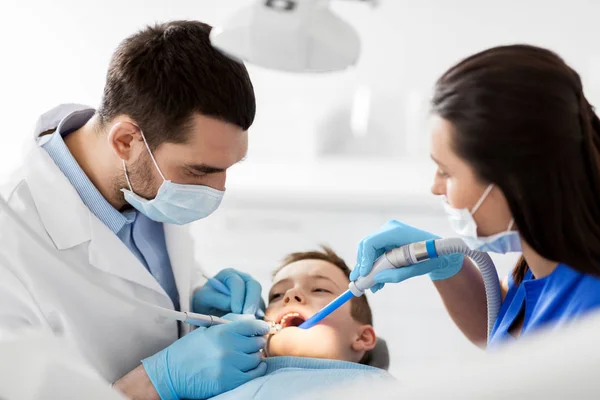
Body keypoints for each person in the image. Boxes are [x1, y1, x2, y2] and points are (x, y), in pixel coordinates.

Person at [0, 20, 271, 400]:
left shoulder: (143, 184)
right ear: (126, 140)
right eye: (199, 171)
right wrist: (155, 383)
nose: (218, 190)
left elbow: (146, 294)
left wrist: (194, 301)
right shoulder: (11, 242)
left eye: (229, 167)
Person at [352, 44, 600, 348]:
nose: (436, 187)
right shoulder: (542, 264)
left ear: (516, 182)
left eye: (447, 172)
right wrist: (447, 267)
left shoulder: (589, 320)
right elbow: (510, 333)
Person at [211, 246, 395, 399]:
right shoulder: (221, 383)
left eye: (319, 289)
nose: (291, 295)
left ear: (362, 337)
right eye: (277, 295)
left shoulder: (383, 391)